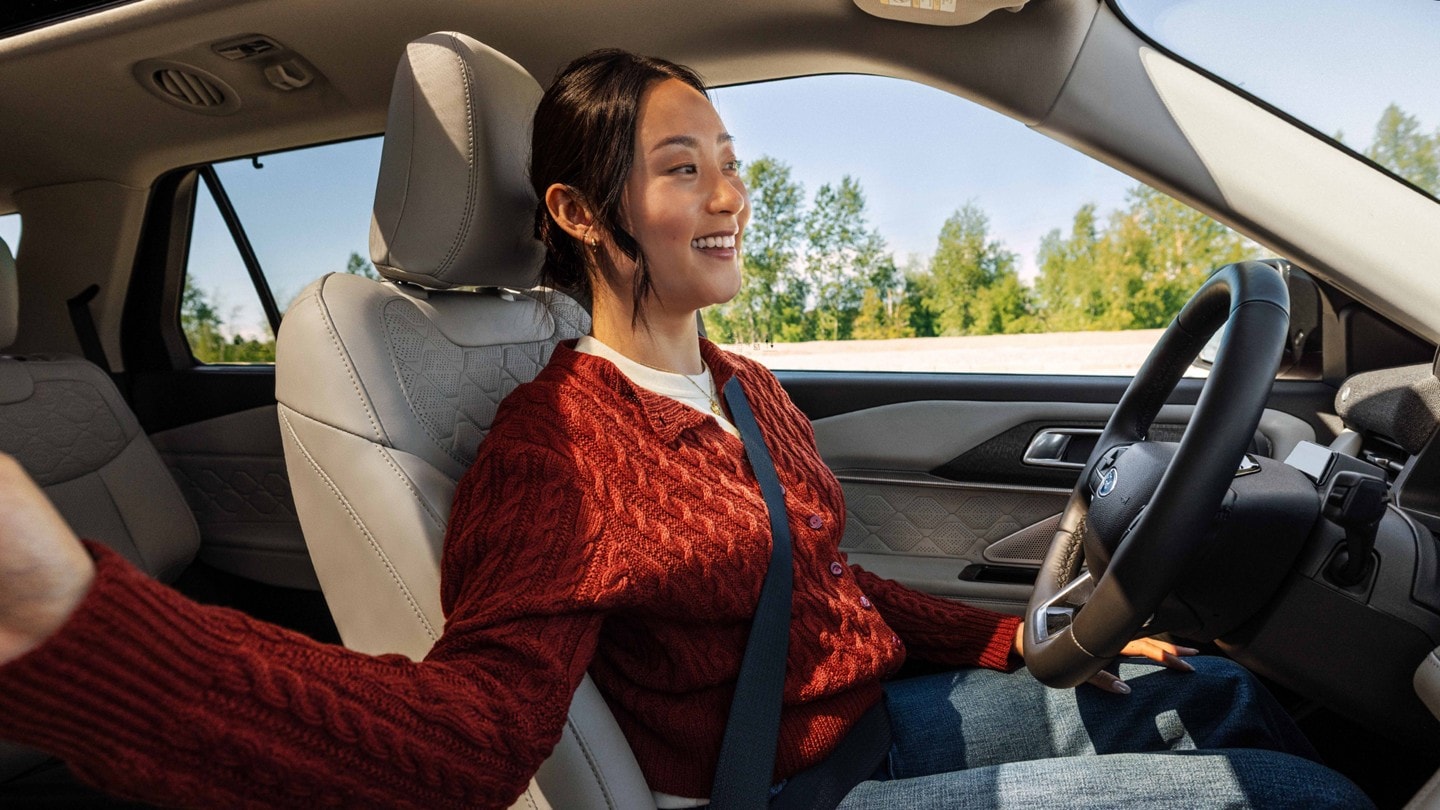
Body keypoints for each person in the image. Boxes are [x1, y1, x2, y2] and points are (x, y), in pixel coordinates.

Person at [0, 49, 1371, 810]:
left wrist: (1024, 634)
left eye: (728, 158)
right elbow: (470, 732)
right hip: (771, 791)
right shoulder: (560, 450)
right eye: (678, 165)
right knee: (1281, 800)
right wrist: (76, 620)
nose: (729, 191)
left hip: (874, 720)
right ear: (580, 216)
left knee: (1228, 693)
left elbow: (831, 586)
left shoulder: (748, 383)